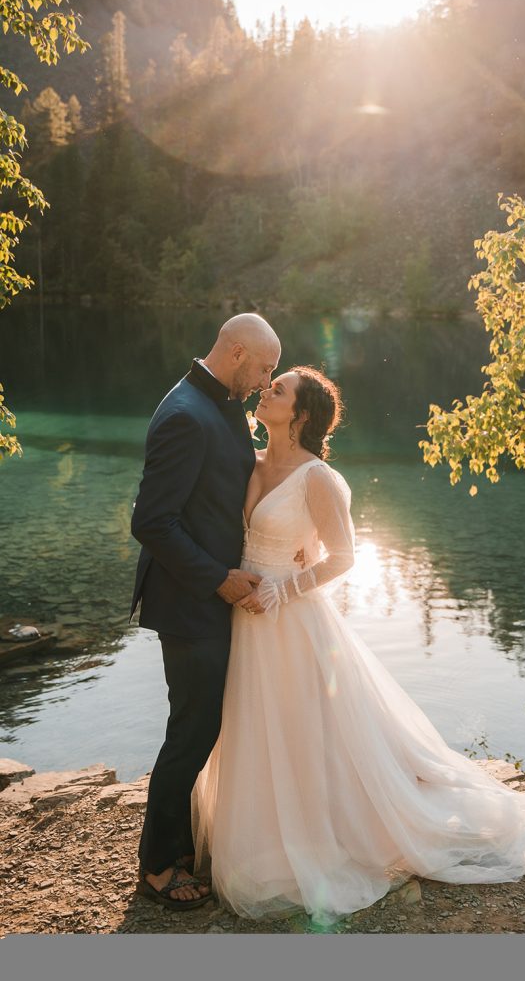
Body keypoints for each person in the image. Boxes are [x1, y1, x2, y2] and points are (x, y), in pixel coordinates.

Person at [192, 367, 525, 925]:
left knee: (305, 729)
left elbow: (344, 556)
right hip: (246, 618)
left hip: (289, 618)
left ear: (301, 415)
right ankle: (262, 831)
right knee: (259, 727)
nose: (266, 391)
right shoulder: (251, 463)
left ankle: (325, 835)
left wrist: (284, 586)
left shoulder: (317, 479)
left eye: (277, 389)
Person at [131, 313, 281, 909]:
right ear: (237, 351)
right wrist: (219, 579)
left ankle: (183, 844)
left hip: (213, 599)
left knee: (203, 725)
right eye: (265, 367)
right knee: (192, 730)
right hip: (189, 601)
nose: (268, 380)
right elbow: (152, 522)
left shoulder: (217, 402)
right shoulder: (185, 415)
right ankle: (160, 865)